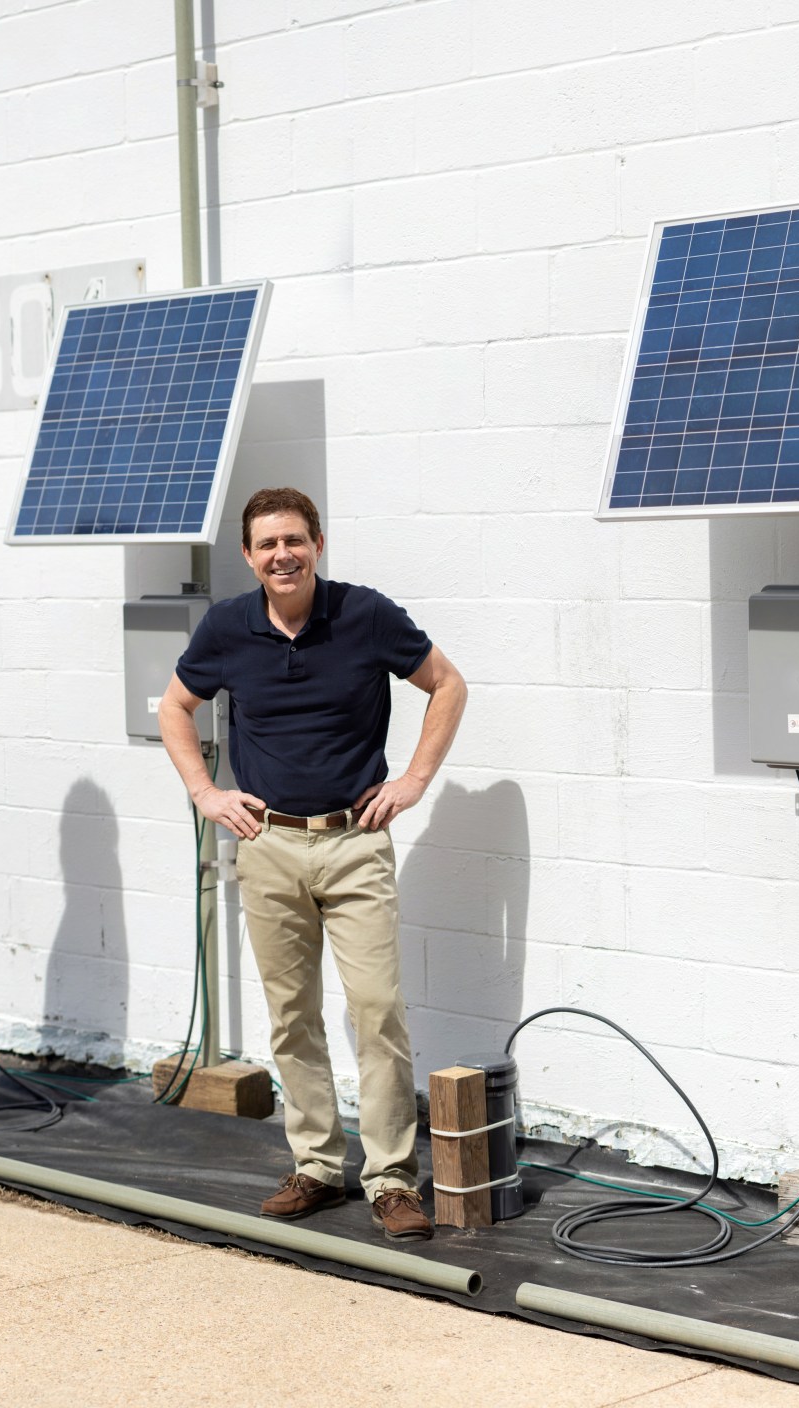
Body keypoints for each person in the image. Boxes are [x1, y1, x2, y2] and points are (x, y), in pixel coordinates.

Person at [156, 487, 467, 1242]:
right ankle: (317, 1168)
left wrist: (414, 781)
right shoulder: (228, 626)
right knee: (292, 1016)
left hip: (354, 844)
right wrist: (206, 792)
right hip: (268, 846)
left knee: (376, 1012)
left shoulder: (365, 616)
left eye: (294, 540)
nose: (282, 555)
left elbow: (448, 685)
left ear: (318, 544)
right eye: (267, 545)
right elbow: (173, 707)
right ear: (248, 556)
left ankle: (391, 1180)